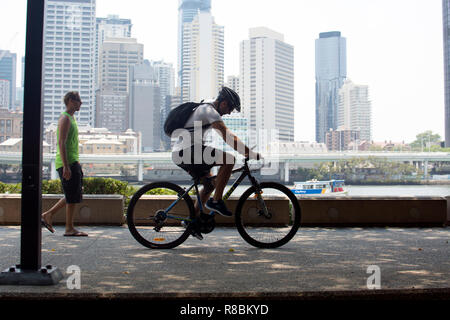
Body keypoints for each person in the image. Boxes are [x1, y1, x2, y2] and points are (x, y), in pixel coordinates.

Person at [171, 87, 260, 239]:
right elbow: (227, 135)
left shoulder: (205, 107)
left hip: (184, 152)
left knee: (210, 184)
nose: (230, 112)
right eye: (231, 108)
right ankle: (216, 201)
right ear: (223, 103)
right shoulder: (209, 110)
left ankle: (191, 220)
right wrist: (248, 153)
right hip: (188, 151)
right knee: (229, 159)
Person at [41, 91, 88, 237]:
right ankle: (68, 228)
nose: (81, 103)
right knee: (71, 194)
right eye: (79, 100)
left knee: (73, 193)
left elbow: (71, 143)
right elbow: (61, 142)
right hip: (66, 162)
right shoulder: (65, 118)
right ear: (71, 101)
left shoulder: (72, 118)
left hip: (73, 161)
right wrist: (67, 166)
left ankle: (48, 215)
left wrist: (76, 163)